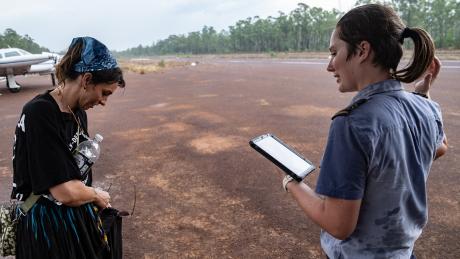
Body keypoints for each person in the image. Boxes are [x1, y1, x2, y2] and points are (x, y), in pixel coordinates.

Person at [281, 4, 448, 259]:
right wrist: (423, 95)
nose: (330, 65)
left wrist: (292, 184)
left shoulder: (352, 123)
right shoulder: (425, 108)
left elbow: (338, 225)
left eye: (334, 52)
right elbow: (439, 146)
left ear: (362, 50)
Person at [11, 36, 125, 258]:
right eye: (104, 93)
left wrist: (88, 199)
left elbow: (76, 173)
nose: (103, 102)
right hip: (45, 226)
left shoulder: (78, 112)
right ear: (87, 79)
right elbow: (64, 191)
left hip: (74, 217)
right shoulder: (40, 112)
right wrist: (94, 194)